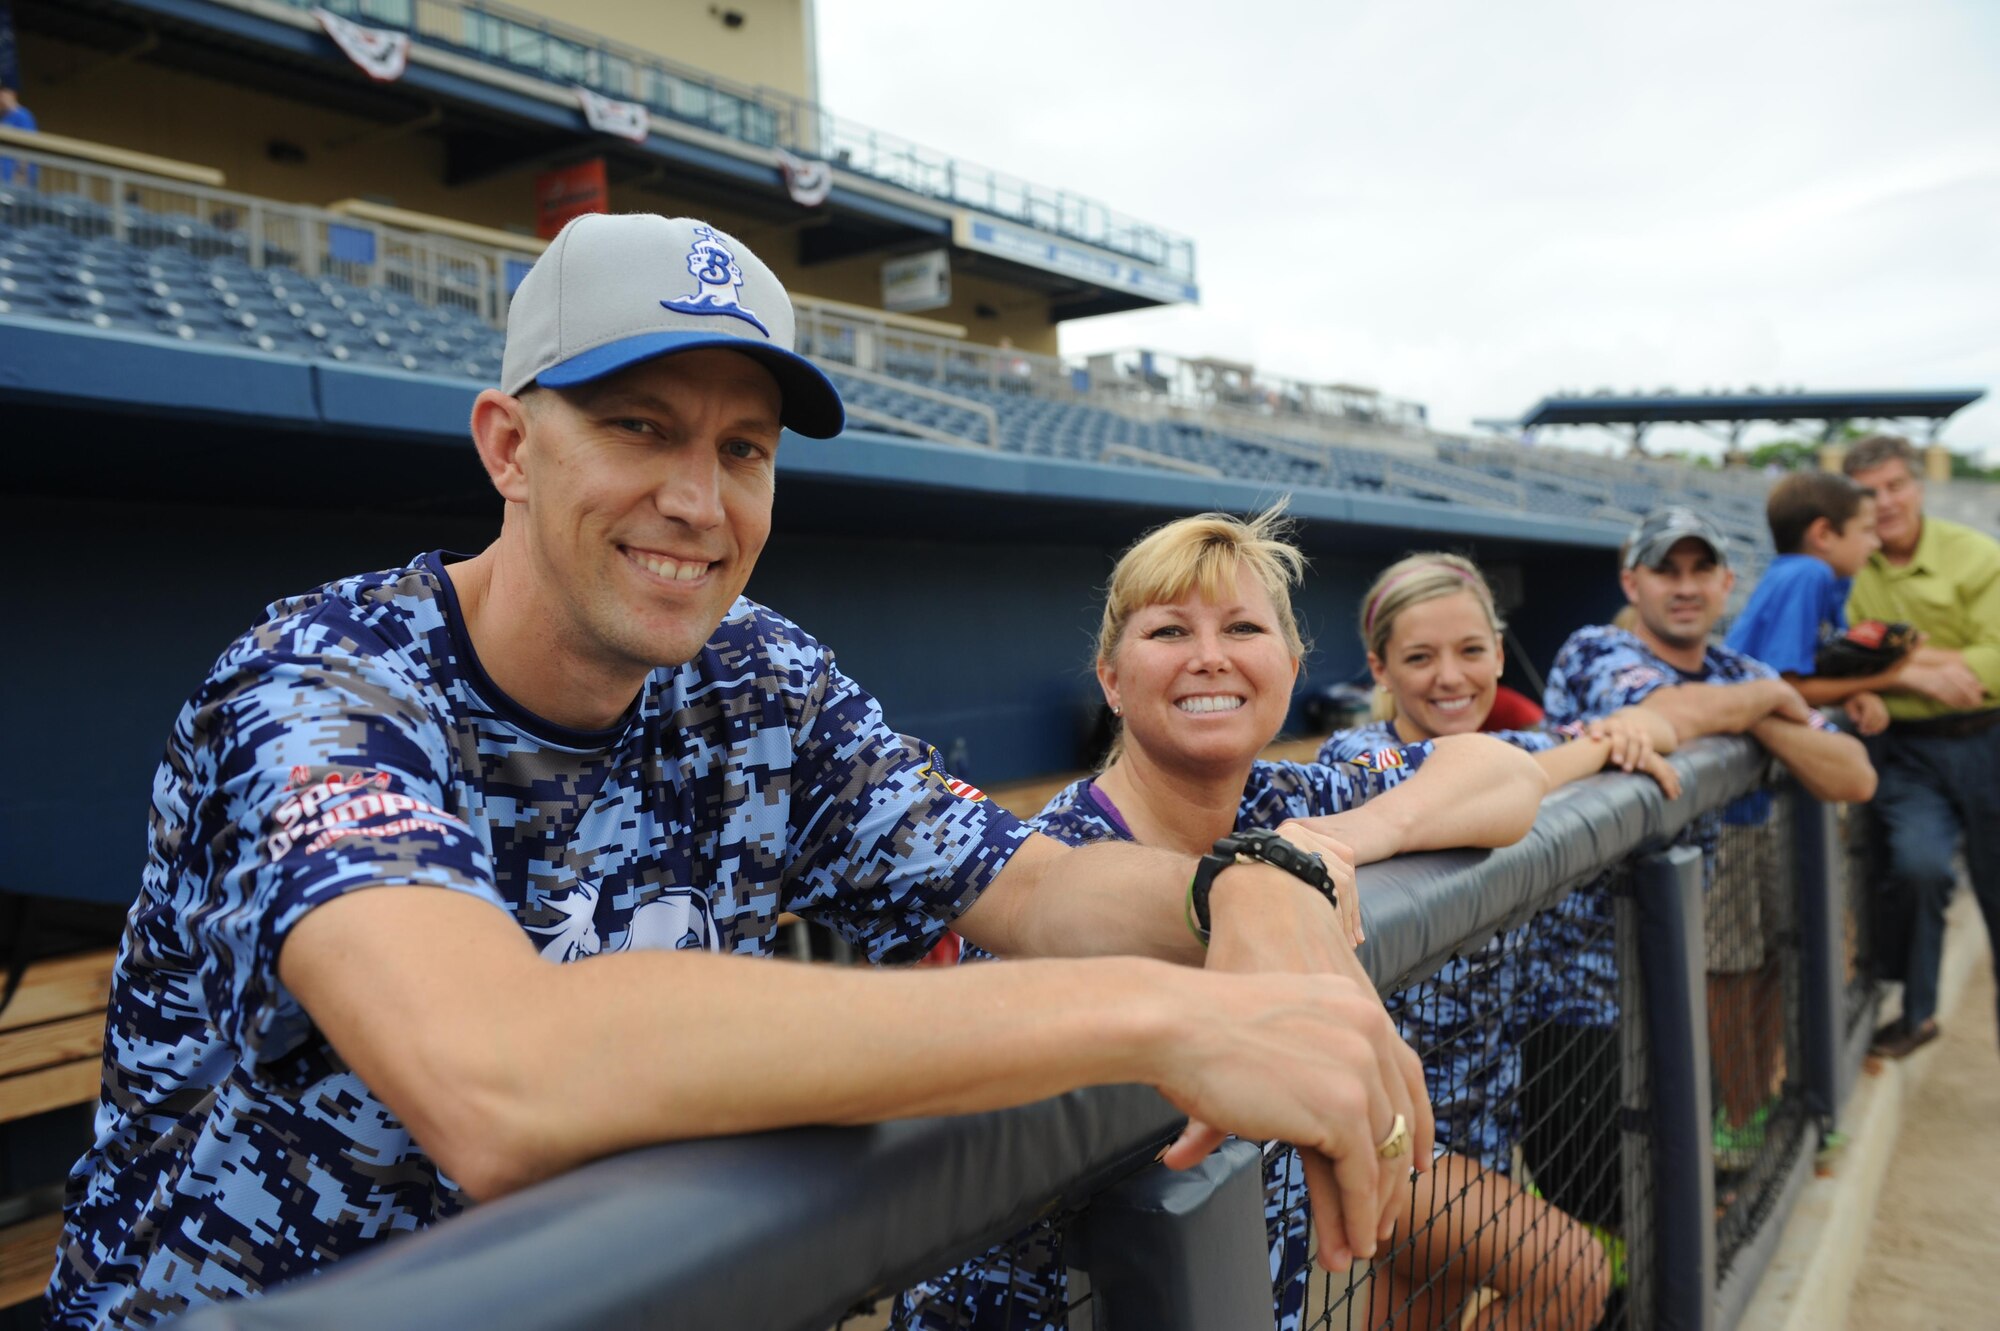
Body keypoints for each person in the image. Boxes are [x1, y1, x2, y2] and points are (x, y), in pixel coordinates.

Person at [46, 215, 1433, 1328]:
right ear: (511, 445)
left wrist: (1244, 889)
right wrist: (1156, 1016)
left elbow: (1033, 882)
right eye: (639, 426)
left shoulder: (755, 673)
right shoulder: (320, 679)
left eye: (743, 448)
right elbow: (498, 1076)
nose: (699, 502)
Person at [900, 512, 1549, 1331]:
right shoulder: (1050, 863)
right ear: (1110, 677)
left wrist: (1323, 847)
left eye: (1243, 626)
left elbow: (1500, 771)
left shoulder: (1288, 800)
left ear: (1290, 665)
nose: (1211, 654)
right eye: (1170, 629)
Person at [1318, 551, 1681, 1330]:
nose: (1451, 676)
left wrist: (1626, 727)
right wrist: (1596, 746)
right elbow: (1475, 778)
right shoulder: (1354, 759)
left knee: (1420, 1306)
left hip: (1480, 1112)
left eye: (1471, 651)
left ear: (1499, 648)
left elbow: (1646, 722)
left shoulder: (1515, 746)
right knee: (1571, 1273)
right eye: (1419, 657)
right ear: (1380, 666)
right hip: (1384, 1127)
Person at [1542, 506, 1874, 1179]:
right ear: (1632, 584)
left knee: (1666, 1188)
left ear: (1727, 584)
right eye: (1667, 570)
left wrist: (1752, 709)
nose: (1685, 586)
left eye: (1701, 570)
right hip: (1572, 987)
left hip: (1662, 971)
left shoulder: (1734, 667)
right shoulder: (1596, 647)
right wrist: (1767, 703)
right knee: (1595, 1189)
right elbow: (1663, 715)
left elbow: (1854, 774)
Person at [1842, 434, 2000, 1058]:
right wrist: (1895, 677)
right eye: (1870, 493)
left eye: (1895, 486)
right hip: (1909, 750)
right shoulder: (1850, 564)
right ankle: (1917, 1014)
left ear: (1919, 487)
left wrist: (1890, 657)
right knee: (1917, 866)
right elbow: (1837, 652)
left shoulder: (1977, 555)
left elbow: (1995, 663)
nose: (1885, 502)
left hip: (1991, 739)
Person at [1724, 470, 1895, 734]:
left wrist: (1850, 695)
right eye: (1867, 530)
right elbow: (1786, 688)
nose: (1876, 543)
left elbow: (1822, 672)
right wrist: (1887, 681)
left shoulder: (1833, 579)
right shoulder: (1807, 574)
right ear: (1823, 534)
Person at [0, 78, 38, 187]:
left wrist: (20, 177)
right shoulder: (3, 118)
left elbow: (27, 148)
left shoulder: (23, 115)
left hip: (18, 184)